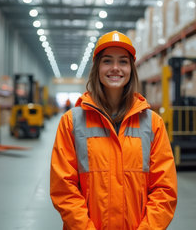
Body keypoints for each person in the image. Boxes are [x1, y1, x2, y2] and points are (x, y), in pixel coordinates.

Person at [50, 31, 177, 230]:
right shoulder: (71, 122)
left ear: (131, 69)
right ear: (97, 68)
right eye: (107, 61)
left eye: (123, 62)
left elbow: (164, 189)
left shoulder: (153, 124)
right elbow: (63, 188)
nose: (115, 68)